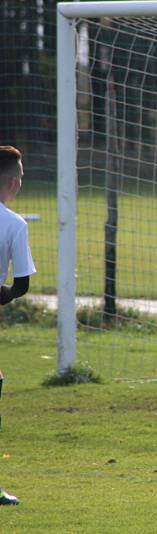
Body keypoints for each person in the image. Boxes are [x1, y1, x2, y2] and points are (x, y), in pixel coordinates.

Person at [0, 145, 36, 505]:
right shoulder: (13, 224)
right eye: (22, 176)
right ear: (12, 181)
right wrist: (5, 293)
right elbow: (22, 284)